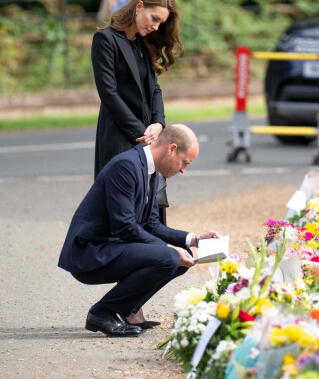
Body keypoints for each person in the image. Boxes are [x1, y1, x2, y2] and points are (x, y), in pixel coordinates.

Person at [58, 125, 221, 337]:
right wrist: (168, 248)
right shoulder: (126, 166)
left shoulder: (150, 170)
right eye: (184, 163)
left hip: (112, 245)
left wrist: (195, 239)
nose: (183, 170)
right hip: (91, 251)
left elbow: (152, 225)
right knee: (170, 257)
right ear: (171, 149)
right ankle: (102, 313)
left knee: (181, 258)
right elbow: (124, 226)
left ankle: (128, 309)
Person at [92, 0, 184, 225]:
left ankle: (151, 260)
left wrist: (158, 123)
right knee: (122, 215)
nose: (155, 27)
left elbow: (154, 89)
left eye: (160, 24)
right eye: (154, 19)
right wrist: (141, 133)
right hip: (119, 138)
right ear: (139, 5)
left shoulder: (143, 43)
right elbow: (109, 94)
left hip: (148, 138)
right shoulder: (105, 40)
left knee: (150, 214)